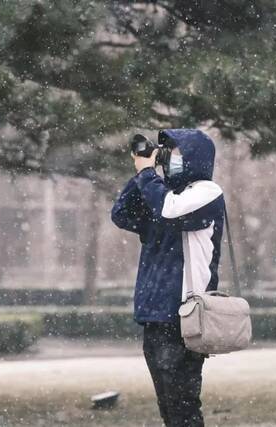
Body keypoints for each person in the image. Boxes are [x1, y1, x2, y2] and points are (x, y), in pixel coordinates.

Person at [110, 129, 225, 426]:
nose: (170, 159)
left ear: (193, 158)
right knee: (168, 406)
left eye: (175, 153)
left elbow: (168, 209)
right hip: (155, 314)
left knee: (183, 404)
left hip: (185, 315)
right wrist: (142, 172)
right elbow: (121, 214)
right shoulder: (163, 195)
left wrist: (148, 173)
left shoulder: (206, 193)